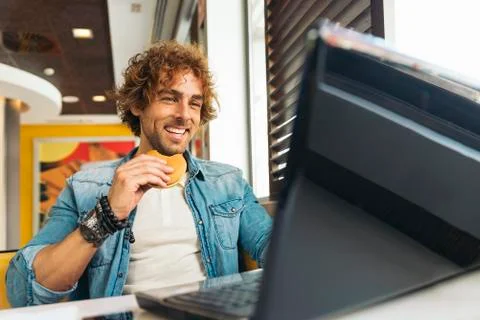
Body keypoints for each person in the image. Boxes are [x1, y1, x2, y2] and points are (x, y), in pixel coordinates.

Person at [6, 41, 272, 309]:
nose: (184, 115)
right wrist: (107, 214)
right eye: (169, 98)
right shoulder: (85, 187)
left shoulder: (228, 183)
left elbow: (271, 247)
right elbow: (26, 291)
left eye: (194, 103)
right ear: (137, 105)